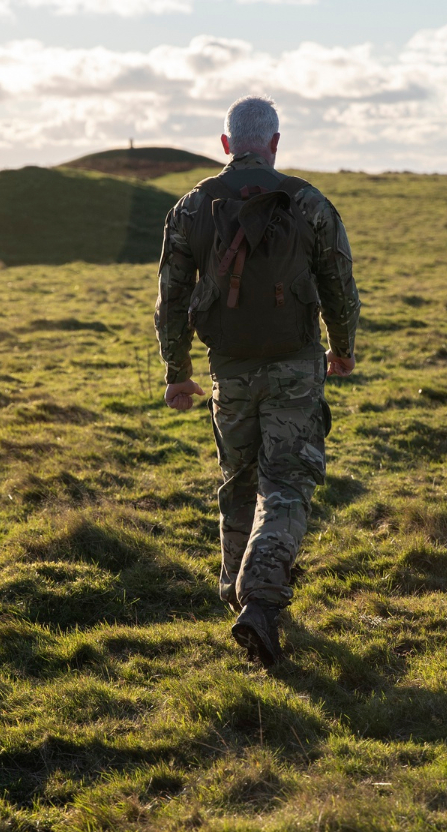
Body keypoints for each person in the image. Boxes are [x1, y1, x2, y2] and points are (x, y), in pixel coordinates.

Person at [154, 95, 361, 667]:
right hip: (295, 366)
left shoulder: (191, 207)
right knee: (287, 484)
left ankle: (235, 596)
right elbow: (339, 283)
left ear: (226, 145)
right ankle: (262, 603)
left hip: (228, 371)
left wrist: (177, 374)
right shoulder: (309, 202)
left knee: (240, 480)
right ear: (274, 143)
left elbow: (170, 299)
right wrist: (341, 349)